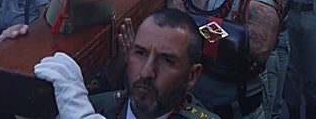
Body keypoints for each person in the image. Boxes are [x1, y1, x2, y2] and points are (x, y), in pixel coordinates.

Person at [33, 8, 222, 119]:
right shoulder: (98, 105)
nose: (146, 72)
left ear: (192, 76)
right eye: (140, 53)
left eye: (167, 61)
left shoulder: (81, 108)